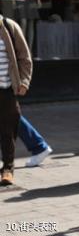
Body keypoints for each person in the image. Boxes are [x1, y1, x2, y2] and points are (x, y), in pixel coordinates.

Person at [0, 14, 32, 185]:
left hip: (6, 89)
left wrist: (24, 82)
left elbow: (25, 58)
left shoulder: (9, 27)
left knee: (8, 130)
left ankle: (7, 168)